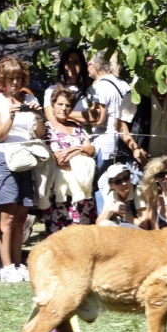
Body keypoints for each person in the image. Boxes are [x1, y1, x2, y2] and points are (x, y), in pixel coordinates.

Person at [0, 55, 46, 283]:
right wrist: (11, 116)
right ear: (2, 79)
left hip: (26, 159)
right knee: (7, 217)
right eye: (10, 78)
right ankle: (6, 266)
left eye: (18, 78)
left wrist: (37, 114)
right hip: (5, 160)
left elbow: (40, 133)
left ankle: (18, 263)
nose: (14, 83)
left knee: (22, 216)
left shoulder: (29, 98)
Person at [43, 85, 97, 236]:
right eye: (60, 104)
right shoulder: (46, 130)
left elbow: (91, 150)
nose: (63, 108)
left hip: (81, 191)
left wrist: (75, 150)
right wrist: (80, 151)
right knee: (60, 239)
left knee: (82, 236)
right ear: (52, 105)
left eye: (67, 105)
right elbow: (60, 159)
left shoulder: (77, 128)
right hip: (59, 191)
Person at [87, 49, 131, 212]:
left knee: (104, 186)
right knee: (122, 187)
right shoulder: (123, 83)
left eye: (89, 64)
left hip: (104, 145)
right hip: (122, 143)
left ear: (97, 66)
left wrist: (71, 115)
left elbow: (98, 119)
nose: (88, 68)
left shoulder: (101, 86)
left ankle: (105, 223)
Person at [43, 47, 100, 128]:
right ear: (63, 65)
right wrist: (82, 118)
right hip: (62, 136)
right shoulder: (52, 90)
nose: (72, 66)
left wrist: (62, 114)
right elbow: (50, 116)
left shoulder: (90, 90)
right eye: (68, 62)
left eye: (76, 62)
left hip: (85, 137)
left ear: (81, 65)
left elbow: (95, 116)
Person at [96, 163, 148, 227]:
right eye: (117, 181)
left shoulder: (137, 191)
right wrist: (111, 209)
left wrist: (123, 213)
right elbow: (98, 224)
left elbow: (144, 226)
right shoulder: (112, 195)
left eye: (126, 178)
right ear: (111, 185)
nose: (124, 183)